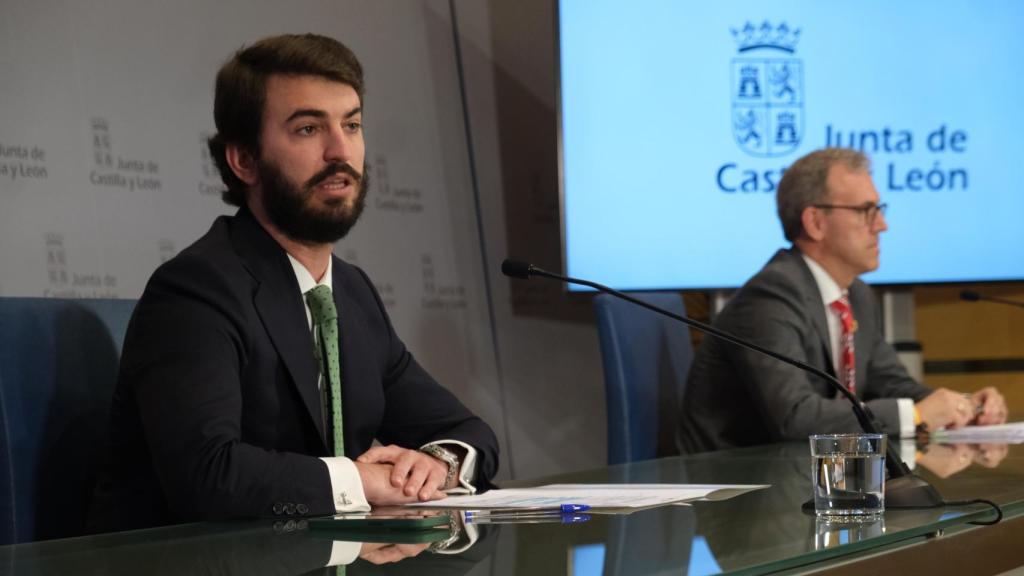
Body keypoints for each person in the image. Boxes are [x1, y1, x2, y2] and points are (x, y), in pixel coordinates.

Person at [91, 34, 498, 531]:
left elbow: (467, 431)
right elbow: (207, 476)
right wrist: (359, 481)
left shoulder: (350, 292)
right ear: (244, 160)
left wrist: (437, 464)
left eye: (352, 125)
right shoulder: (196, 290)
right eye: (308, 128)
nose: (340, 151)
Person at [679, 147, 1006, 453]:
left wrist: (962, 407)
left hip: (809, 478)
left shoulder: (856, 294)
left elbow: (891, 384)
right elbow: (794, 418)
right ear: (815, 223)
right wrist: (917, 415)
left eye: (879, 210)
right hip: (736, 482)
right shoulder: (770, 297)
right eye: (866, 211)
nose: (882, 225)